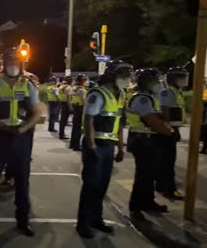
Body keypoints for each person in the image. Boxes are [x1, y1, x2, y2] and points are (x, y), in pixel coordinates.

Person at [0, 47, 42, 237]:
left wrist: (22, 129)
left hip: (21, 138)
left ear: (21, 64)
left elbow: (37, 112)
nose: (13, 65)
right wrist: (3, 128)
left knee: (22, 182)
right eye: (10, 62)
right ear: (4, 64)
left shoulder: (28, 84)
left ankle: (23, 221)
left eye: (16, 62)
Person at [76, 61, 133, 239]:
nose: (127, 79)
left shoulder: (121, 94)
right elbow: (89, 120)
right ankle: (83, 223)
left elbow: (120, 123)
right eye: (123, 75)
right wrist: (91, 145)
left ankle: (96, 219)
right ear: (112, 75)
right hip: (96, 145)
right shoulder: (98, 93)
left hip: (109, 146)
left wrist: (121, 148)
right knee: (91, 186)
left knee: (102, 186)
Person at [126, 68, 174, 219]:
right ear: (147, 82)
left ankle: (148, 202)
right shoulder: (142, 99)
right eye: (155, 81)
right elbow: (153, 122)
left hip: (146, 140)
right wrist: (170, 133)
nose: (159, 84)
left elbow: (161, 116)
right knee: (143, 175)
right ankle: (136, 207)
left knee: (149, 174)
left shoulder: (149, 98)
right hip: (142, 141)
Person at [156, 67, 188, 200]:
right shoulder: (168, 92)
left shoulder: (177, 92)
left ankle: (161, 185)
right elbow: (165, 111)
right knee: (168, 161)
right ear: (173, 79)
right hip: (169, 131)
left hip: (173, 129)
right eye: (181, 77)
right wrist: (170, 129)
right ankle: (168, 189)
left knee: (166, 160)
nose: (184, 79)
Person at [69, 74, 88, 151]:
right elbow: (84, 101)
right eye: (85, 80)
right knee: (79, 128)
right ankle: (76, 145)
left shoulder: (73, 89)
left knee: (75, 127)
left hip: (75, 108)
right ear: (82, 81)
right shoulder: (81, 90)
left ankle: (72, 144)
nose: (86, 82)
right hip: (81, 109)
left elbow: (70, 98)